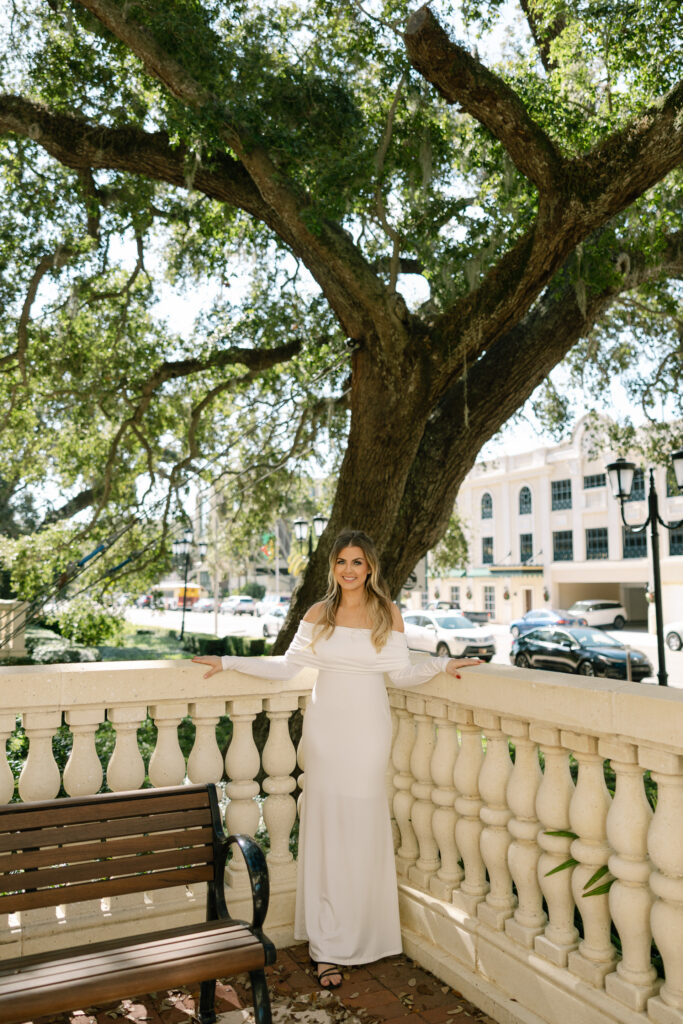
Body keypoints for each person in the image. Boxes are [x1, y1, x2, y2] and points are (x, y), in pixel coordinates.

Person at [193, 529, 482, 990]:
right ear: (334, 567)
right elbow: (287, 668)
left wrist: (442, 666)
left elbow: (402, 674)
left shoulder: (387, 612)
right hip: (326, 732)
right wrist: (227, 662)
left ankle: (367, 935)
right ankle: (328, 946)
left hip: (369, 732)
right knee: (328, 828)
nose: (349, 570)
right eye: (342, 562)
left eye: (358, 562)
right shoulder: (318, 613)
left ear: (370, 568)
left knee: (362, 827)